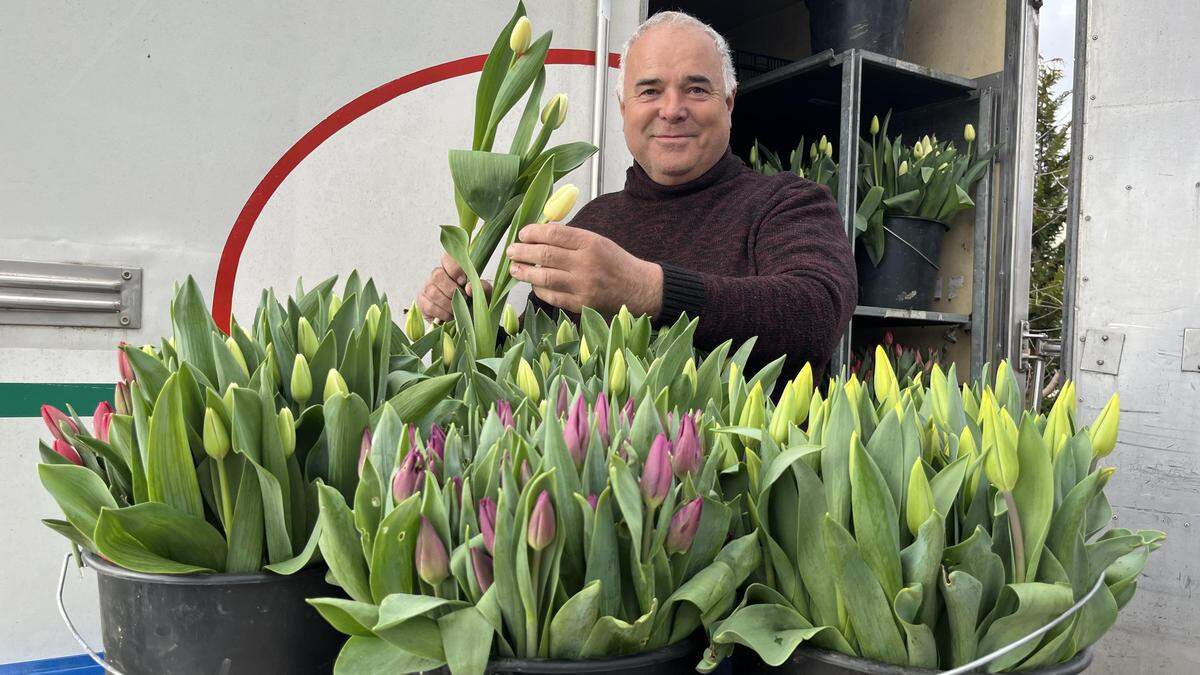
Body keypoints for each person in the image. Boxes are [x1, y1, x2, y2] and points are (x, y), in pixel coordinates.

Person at [417, 10, 856, 383]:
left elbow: (816, 315)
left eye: (696, 89)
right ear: (624, 108)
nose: (671, 109)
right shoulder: (592, 221)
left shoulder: (788, 203)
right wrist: (473, 316)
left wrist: (643, 288)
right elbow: (541, 359)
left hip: (742, 476)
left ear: (729, 102)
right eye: (649, 90)